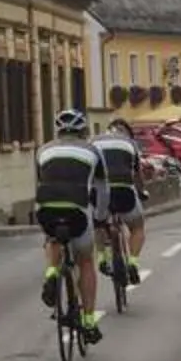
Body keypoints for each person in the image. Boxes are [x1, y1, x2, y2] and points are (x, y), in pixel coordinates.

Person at [34, 108, 107, 348]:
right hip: (78, 208)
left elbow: (40, 181)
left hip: (46, 207)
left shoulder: (43, 150)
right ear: (83, 130)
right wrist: (100, 218)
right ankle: (88, 320)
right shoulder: (93, 151)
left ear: (58, 130)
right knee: (85, 261)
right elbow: (102, 190)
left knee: (52, 238)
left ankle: (51, 274)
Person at [96, 116, 151, 284]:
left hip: (101, 193)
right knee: (137, 226)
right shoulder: (130, 144)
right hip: (123, 191)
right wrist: (142, 192)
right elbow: (137, 174)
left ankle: (102, 258)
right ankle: (133, 263)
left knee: (97, 223)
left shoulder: (94, 142)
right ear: (126, 132)